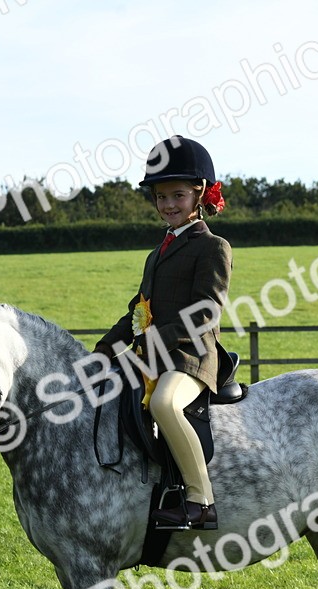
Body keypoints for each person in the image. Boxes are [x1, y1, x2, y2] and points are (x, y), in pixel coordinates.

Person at [94, 136, 232, 530]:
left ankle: (200, 500)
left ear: (200, 194)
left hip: (191, 358)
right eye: (161, 197)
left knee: (164, 405)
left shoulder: (213, 247)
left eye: (178, 195)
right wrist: (104, 350)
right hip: (152, 356)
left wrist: (149, 346)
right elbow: (139, 310)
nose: (168, 204)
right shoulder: (157, 252)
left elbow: (205, 312)